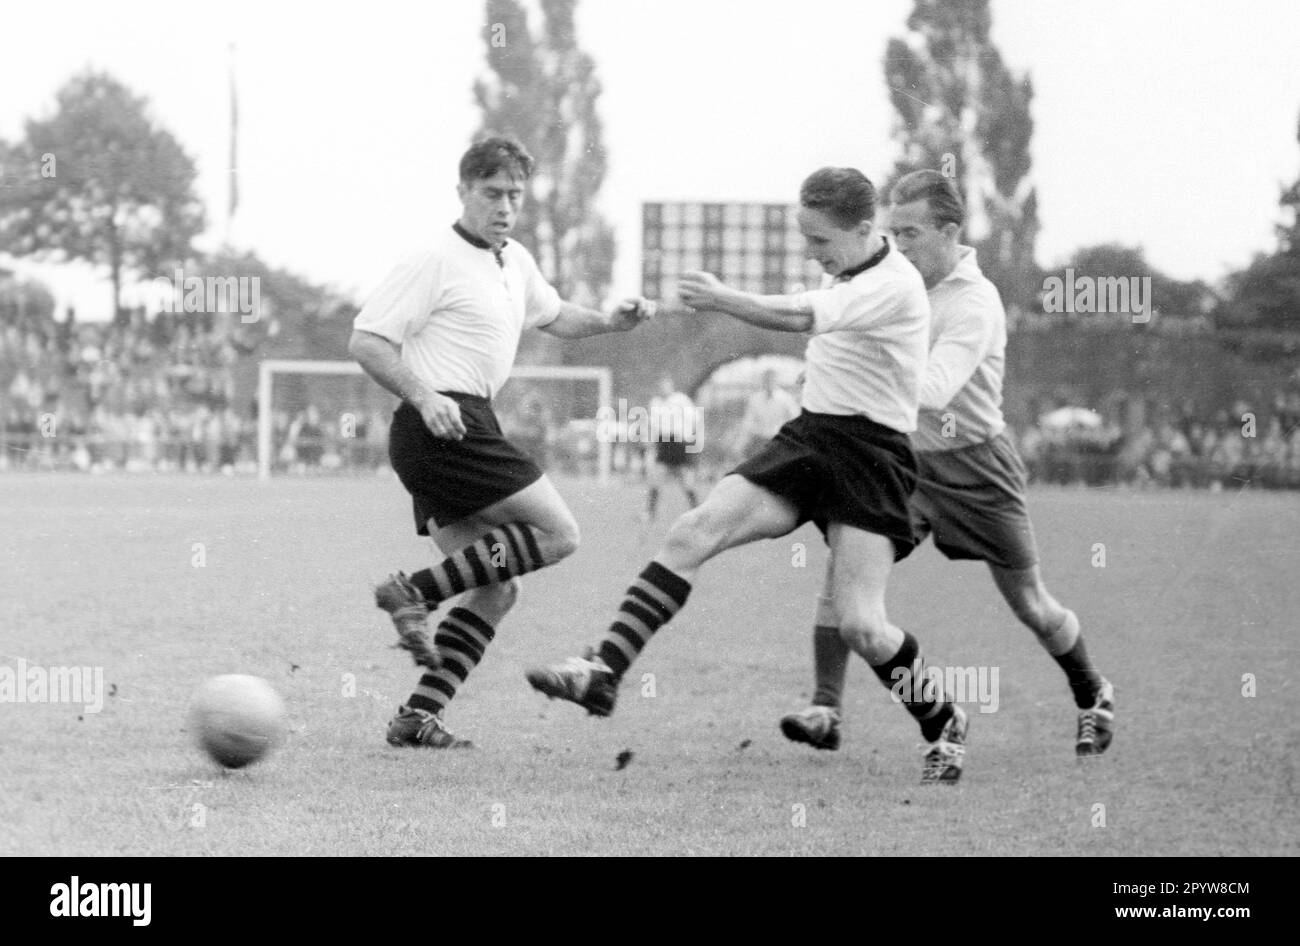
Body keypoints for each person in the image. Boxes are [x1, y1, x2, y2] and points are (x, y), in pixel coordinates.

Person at [527, 166, 972, 784]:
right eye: (806, 239)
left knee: (863, 627)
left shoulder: (894, 285)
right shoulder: (850, 265)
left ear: (867, 231)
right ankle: (604, 671)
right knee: (691, 532)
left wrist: (721, 297)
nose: (813, 254)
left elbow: (797, 318)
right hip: (811, 436)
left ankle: (943, 719)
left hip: (873, 456)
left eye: (821, 242)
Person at [779, 170, 1114, 758]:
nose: (897, 244)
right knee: (843, 581)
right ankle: (826, 708)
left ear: (950, 230)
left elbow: (932, 390)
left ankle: (1092, 694)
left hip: (976, 468)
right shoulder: (885, 278)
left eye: (910, 233)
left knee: (1031, 604)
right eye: (892, 231)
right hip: (902, 461)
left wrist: (857, 377)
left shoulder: (974, 303)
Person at [348, 135, 654, 748]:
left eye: (514, 195)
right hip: (439, 421)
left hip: (463, 424)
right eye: (492, 194)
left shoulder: (515, 261)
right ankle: (411, 592)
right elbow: (367, 340)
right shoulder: (432, 258)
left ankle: (418, 715)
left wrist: (610, 322)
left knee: (498, 587)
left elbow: (556, 314)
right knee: (560, 533)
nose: (505, 206)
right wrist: (426, 397)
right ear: (462, 191)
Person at [642, 376, 701, 522]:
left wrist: (688, 435)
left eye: (666, 385)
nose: (663, 388)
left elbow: (695, 418)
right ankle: (649, 513)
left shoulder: (680, 399)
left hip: (679, 443)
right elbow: (652, 425)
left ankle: (698, 512)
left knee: (686, 481)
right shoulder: (655, 403)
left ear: (671, 386)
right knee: (655, 478)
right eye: (661, 385)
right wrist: (650, 440)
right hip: (664, 443)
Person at [733, 367, 799, 461]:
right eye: (766, 380)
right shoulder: (755, 399)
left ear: (777, 381)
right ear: (763, 381)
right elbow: (747, 423)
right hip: (759, 441)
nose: (769, 383)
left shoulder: (786, 399)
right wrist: (739, 444)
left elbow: (795, 421)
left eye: (772, 380)